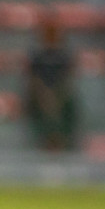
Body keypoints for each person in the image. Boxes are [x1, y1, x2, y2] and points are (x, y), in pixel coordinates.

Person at [25, 18, 78, 152]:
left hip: (61, 97)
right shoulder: (37, 57)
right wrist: (44, 96)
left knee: (70, 106)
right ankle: (42, 143)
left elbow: (67, 81)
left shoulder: (64, 57)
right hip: (40, 97)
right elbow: (33, 80)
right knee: (34, 106)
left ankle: (64, 143)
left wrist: (57, 97)